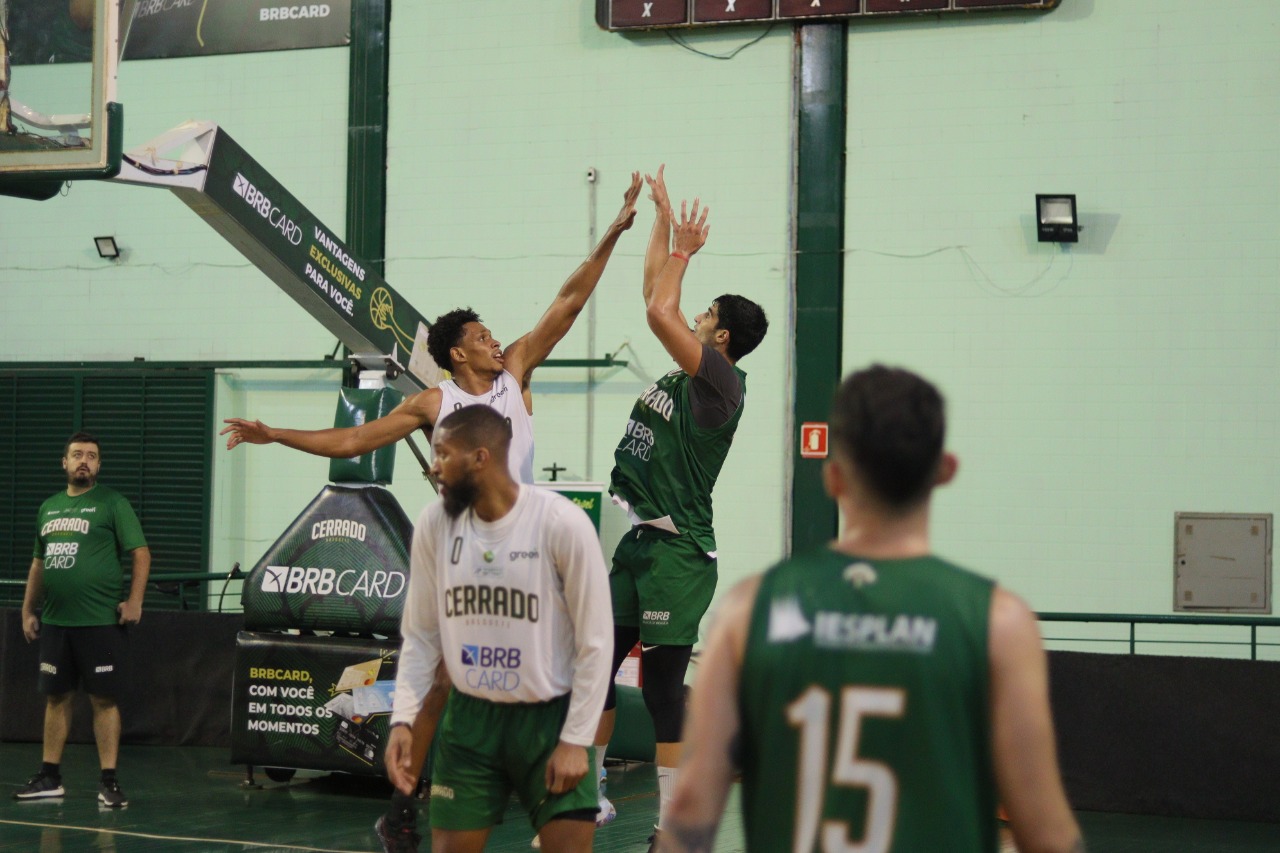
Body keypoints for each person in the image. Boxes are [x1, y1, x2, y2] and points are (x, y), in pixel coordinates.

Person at [221, 172, 641, 852]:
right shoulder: (434, 404)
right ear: (456, 352)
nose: (495, 339)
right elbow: (354, 440)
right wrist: (278, 434)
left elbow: (570, 298)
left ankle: (567, 774)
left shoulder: (517, 374)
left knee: (570, 655)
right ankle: (409, 800)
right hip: (467, 542)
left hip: (527, 538)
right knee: (443, 667)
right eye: (482, 334)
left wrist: (614, 232)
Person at [657, 365, 1085, 853]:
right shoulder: (999, 622)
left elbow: (691, 809)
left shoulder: (748, 610)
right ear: (945, 470)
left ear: (833, 477)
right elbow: (1046, 832)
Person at [593, 166, 769, 844]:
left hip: (679, 552)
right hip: (639, 541)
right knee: (592, 661)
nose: (695, 316)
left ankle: (675, 825)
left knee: (664, 687)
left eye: (707, 316)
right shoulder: (684, 366)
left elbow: (659, 310)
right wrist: (662, 219)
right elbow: (654, 293)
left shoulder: (721, 383)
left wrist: (685, 253)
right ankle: (594, 792)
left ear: (720, 337)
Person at [385, 405, 613, 853]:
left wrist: (575, 740)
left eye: (443, 454)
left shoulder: (560, 523)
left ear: (480, 458)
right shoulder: (435, 524)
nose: (433, 467)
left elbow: (596, 643)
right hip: (470, 723)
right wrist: (403, 720)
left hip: (549, 722)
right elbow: (421, 636)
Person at [15, 432, 151, 809]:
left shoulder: (112, 503)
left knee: (103, 700)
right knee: (56, 698)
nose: (84, 461)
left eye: (91, 456)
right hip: (57, 622)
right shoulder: (49, 507)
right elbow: (38, 563)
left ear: (98, 465)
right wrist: (28, 610)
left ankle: (108, 782)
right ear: (65, 463)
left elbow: (140, 552)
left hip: (99, 622)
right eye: (77, 455)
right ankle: (49, 777)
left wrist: (135, 601)